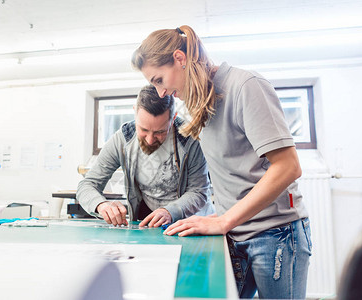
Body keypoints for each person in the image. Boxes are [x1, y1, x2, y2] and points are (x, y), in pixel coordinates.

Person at [131, 25, 312, 299]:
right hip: (235, 233)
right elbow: (237, 173)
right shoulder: (199, 102)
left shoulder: (246, 86)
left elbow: (288, 166)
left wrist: (225, 220)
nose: (160, 92)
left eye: (159, 79)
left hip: (275, 234)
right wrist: (219, 217)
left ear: (180, 59)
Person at [77, 84, 214, 228]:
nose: (150, 139)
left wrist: (170, 211)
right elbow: (87, 185)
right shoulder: (122, 139)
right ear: (135, 112)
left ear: (173, 118)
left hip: (192, 224)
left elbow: (199, 191)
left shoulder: (190, 139)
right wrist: (101, 205)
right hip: (151, 224)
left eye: (160, 132)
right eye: (143, 129)